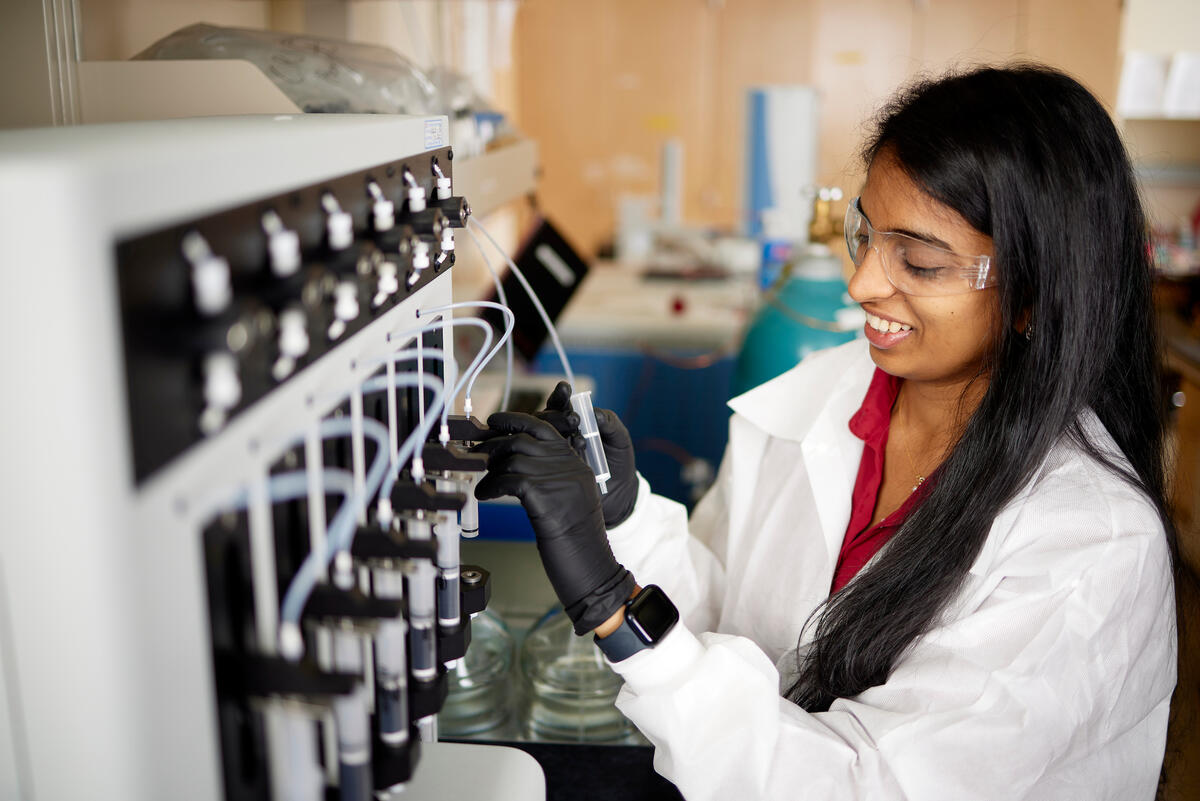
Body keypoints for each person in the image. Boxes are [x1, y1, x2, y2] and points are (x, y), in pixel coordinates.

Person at [474, 64, 1178, 800]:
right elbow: (729, 624)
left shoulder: (1091, 546)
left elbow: (864, 783)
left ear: (1035, 297)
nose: (863, 284)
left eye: (920, 260)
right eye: (866, 235)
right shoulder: (820, 400)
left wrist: (614, 605)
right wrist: (625, 515)